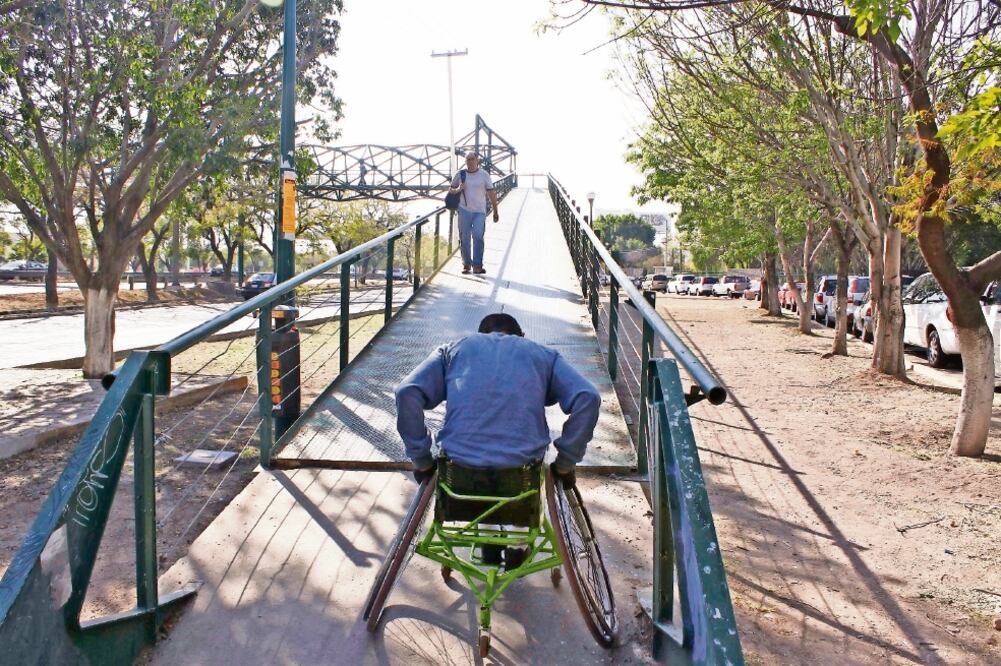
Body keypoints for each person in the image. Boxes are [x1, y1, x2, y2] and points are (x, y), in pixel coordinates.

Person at [394, 313, 601, 488]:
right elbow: (588, 397)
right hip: (523, 471)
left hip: (458, 468)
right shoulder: (545, 355)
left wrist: (422, 461)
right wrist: (565, 462)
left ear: (479, 336)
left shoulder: (453, 351)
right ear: (522, 337)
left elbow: (406, 391)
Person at [447, 151, 499, 275]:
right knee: (464, 238)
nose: (469, 161)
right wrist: (458, 189)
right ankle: (466, 264)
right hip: (464, 210)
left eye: (472, 159)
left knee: (477, 236)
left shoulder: (484, 175)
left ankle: (477, 265)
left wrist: (495, 210)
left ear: (477, 160)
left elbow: (491, 193)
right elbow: (450, 189)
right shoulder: (460, 174)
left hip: (479, 212)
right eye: (467, 159)